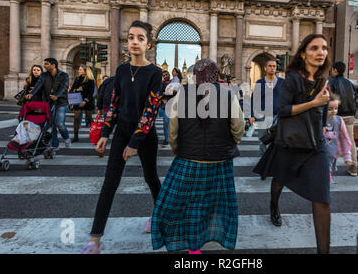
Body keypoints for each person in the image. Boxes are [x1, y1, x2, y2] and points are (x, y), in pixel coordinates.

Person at [81, 21, 163, 254]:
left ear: (148, 44)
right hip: (121, 133)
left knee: (151, 178)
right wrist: (105, 133)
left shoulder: (155, 73)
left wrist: (135, 142)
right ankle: (95, 240)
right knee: (109, 184)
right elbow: (114, 104)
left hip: (145, 137)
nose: (134, 42)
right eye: (131, 37)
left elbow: (151, 109)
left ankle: (159, 218)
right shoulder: (121, 71)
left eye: (140, 38)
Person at [151, 58, 245, 254]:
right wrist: (232, 142)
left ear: (196, 75)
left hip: (189, 158)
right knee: (214, 203)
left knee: (189, 202)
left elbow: (173, 128)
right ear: (217, 75)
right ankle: (210, 235)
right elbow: (238, 127)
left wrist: (175, 147)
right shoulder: (229, 95)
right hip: (220, 161)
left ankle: (192, 245)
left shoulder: (183, 94)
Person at [253, 34, 331, 254]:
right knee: (279, 180)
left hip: (316, 145)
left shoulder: (324, 80)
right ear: (304, 53)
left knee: (322, 198)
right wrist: (313, 103)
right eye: (314, 48)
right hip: (291, 141)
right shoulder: (293, 79)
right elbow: (283, 110)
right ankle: (274, 205)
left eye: (324, 48)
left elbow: (322, 110)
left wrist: (323, 123)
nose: (320, 52)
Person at [25, 58, 71, 149]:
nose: (44, 66)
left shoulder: (63, 75)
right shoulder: (44, 75)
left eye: (46, 64)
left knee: (59, 123)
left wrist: (57, 96)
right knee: (52, 124)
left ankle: (66, 138)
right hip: (48, 102)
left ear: (53, 65)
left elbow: (64, 87)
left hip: (61, 102)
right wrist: (31, 93)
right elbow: (39, 85)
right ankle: (55, 145)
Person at [250, 59, 284, 155]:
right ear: (265, 68)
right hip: (262, 115)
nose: (272, 68)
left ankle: (272, 160)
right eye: (270, 66)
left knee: (277, 139)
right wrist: (252, 115)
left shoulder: (282, 82)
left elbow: (286, 98)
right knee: (262, 140)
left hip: (278, 115)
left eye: (274, 66)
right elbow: (253, 99)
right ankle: (263, 160)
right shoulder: (260, 82)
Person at [329, 61, 358, 176]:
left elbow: (330, 99)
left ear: (335, 70)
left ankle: (328, 166)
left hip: (336, 115)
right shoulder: (350, 83)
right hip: (350, 115)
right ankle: (353, 167)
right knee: (350, 141)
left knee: (329, 140)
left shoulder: (332, 82)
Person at [324, 93, 353, 183]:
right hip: (319, 154)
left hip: (331, 154)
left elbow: (345, 138)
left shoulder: (339, 120)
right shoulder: (319, 119)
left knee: (326, 178)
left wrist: (347, 157)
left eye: (336, 108)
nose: (333, 111)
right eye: (330, 109)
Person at [70, 64, 95, 142]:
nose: (79, 71)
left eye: (80, 69)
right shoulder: (77, 79)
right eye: (79, 69)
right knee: (76, 118)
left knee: (89, 118)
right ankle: (75, 136)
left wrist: (85, 101)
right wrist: (77, 90)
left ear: (85, 71)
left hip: (87, 101)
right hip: (77, 101)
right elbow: (72, 90)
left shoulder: (90, 80)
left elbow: (91, 93)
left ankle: (94, 135)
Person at [159, 70, 172, 148]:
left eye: (166, 74)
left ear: (169, 75)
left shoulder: (173, 83)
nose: (165, 76)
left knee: (173, 123)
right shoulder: (161, 84)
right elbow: (160, 93)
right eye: (163, 75)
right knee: (166, 122)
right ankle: (167, 139)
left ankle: (172, 138)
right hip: (165, 105)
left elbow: (176, 92)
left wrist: (166, 93)